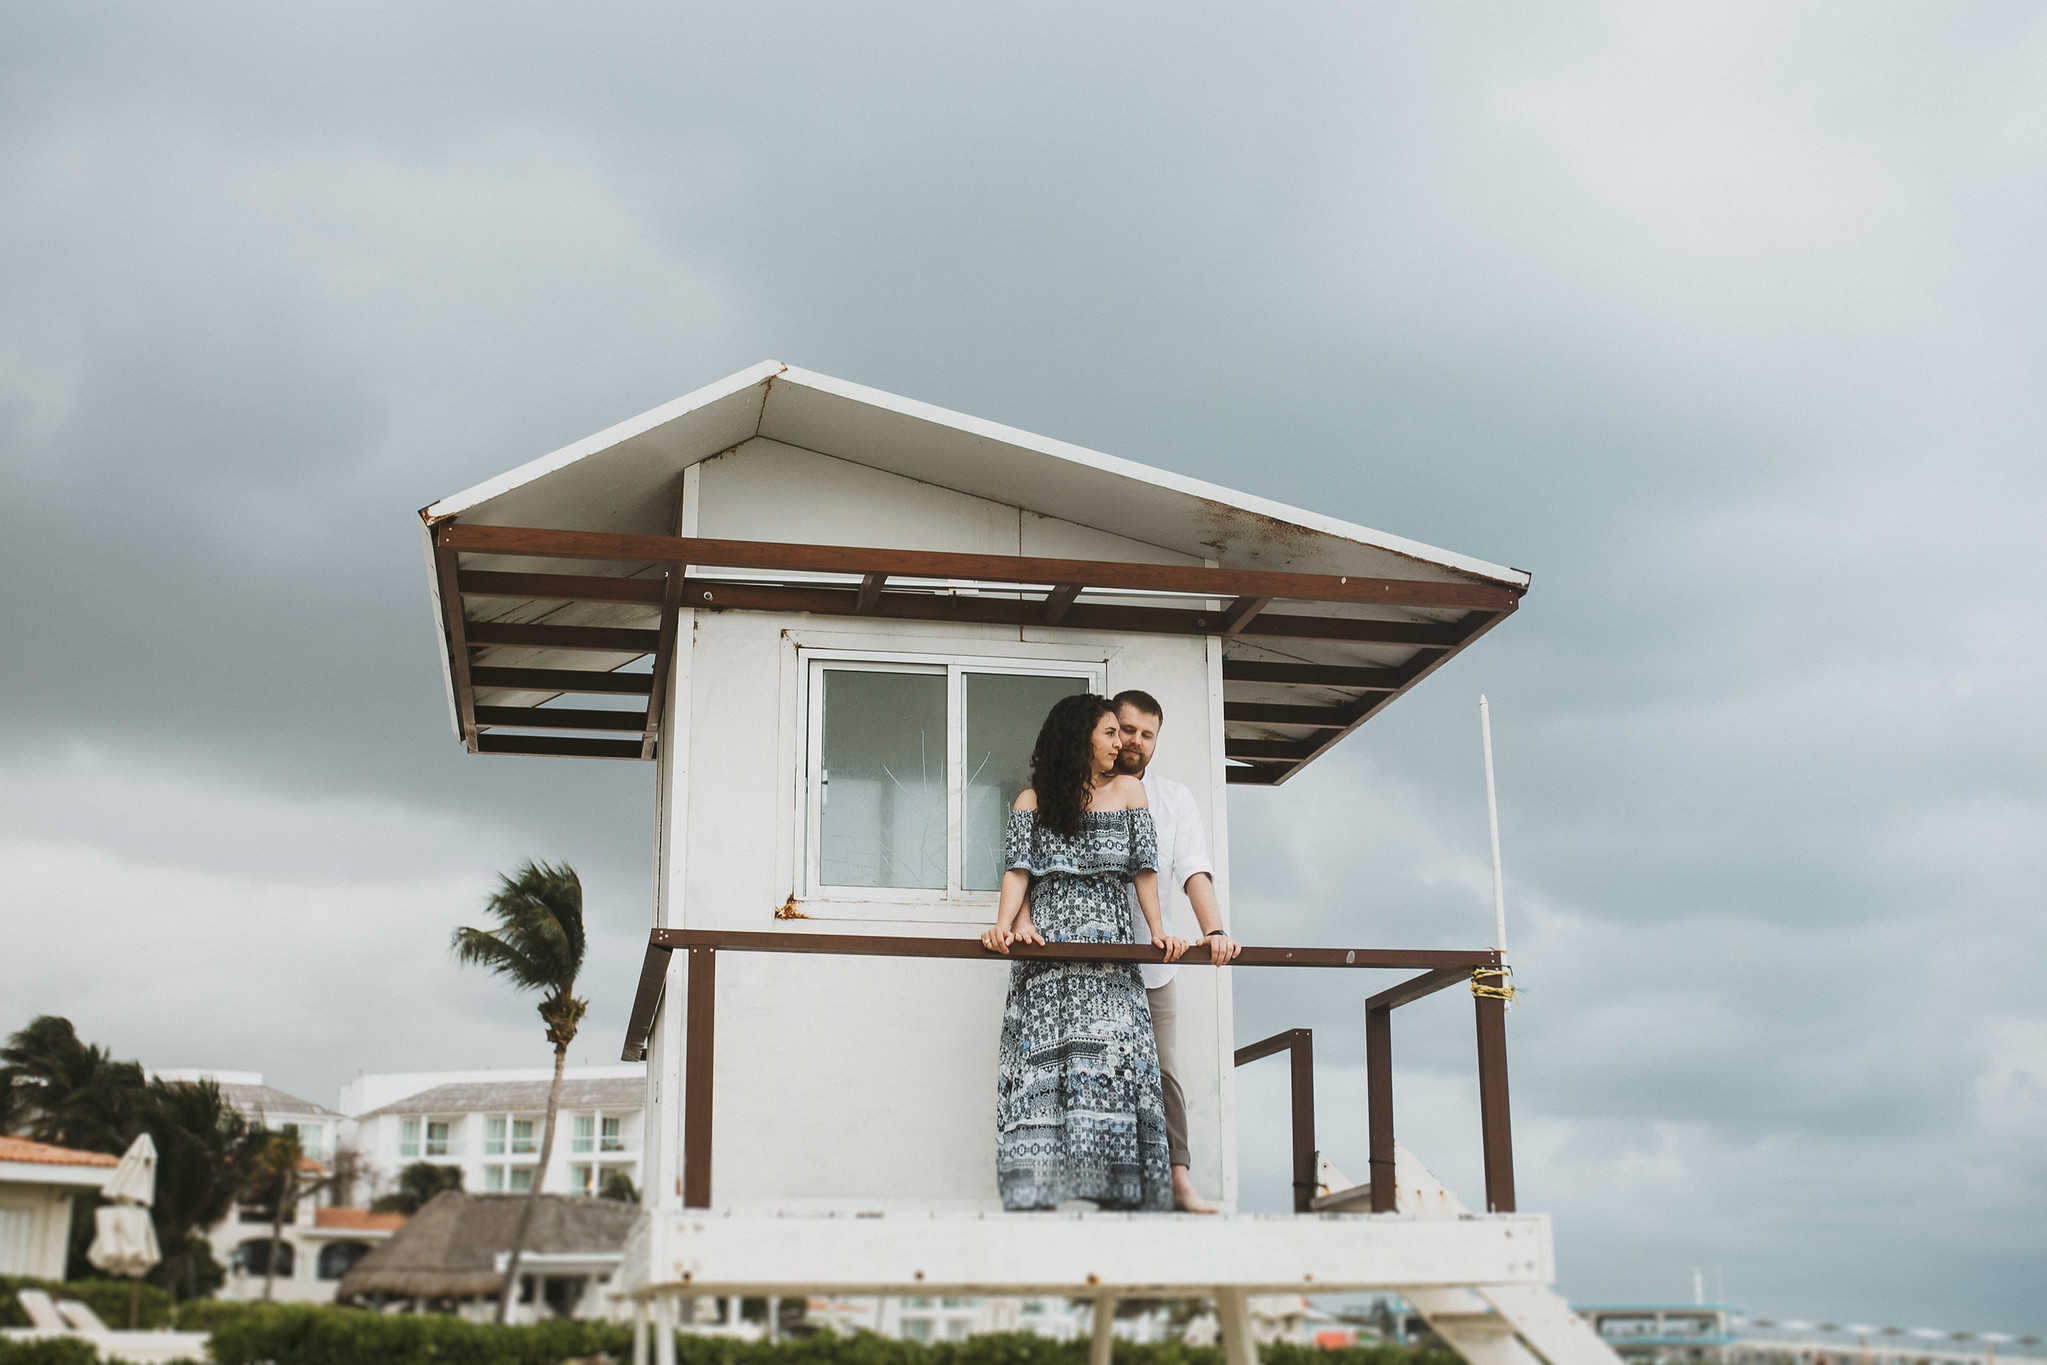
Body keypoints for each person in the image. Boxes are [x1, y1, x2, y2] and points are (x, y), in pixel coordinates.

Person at [981, 692, 1188, 1211]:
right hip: (1047, 966)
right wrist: (1005, 925)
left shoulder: (1129, 792)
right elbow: (1018, 872)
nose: (1121, 743)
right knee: (1043, 1079)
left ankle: (1120, 1203)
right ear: (1080, 739)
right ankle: (1034, 1202)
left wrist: (1157, 931)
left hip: (1111, 965)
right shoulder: (1032, 800)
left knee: (1112, 1078)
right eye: (1110, 733)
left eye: (1124, 733)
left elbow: (1145, 868)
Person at [1112, 689, 1241, 1214]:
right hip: (1087, 964)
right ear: (1107, 729)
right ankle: (1110, 1189)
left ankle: (1179, 1182)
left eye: (1147, 734)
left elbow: (1192, 867)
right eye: (1126, 730)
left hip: (1152, 965)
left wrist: (1214, 930)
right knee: (1098, 1073)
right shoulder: (1078, 790)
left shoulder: (1174, 798)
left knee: (1163, 1072)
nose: (1135, 742)